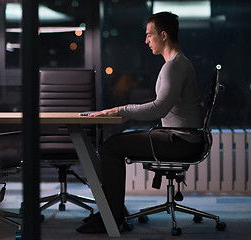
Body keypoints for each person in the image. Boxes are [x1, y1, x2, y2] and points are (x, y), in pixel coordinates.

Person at [76, 11, 205, 234]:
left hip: (181, 141)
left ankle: (112, 217)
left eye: (149, 35)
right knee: (115, 144)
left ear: (163, 35)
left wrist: (120, 110)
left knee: (111, 147)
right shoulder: (177, 63)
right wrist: (125, 112)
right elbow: (161, 104)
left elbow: (159, 108)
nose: (146, 41)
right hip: (182, 137)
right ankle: (113, 211)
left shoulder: (174, 66)